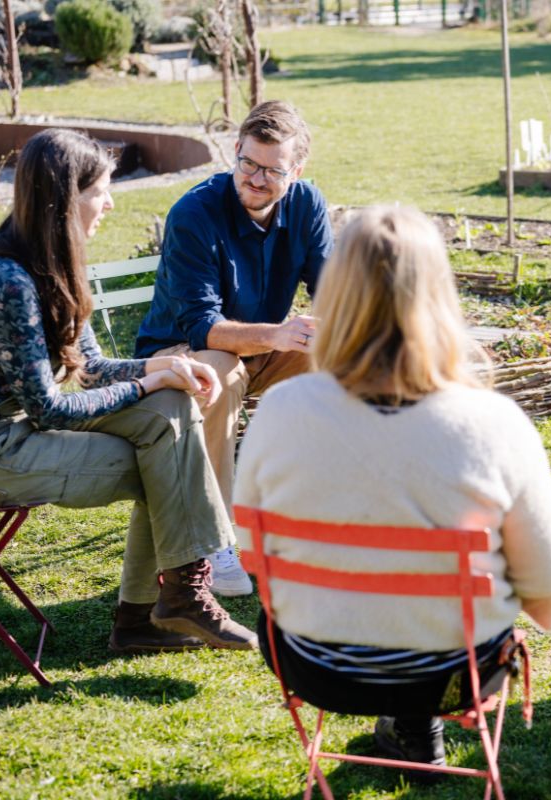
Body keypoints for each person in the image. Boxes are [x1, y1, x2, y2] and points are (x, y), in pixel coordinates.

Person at [234, 206, 551, 773]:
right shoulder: (492, 423)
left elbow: (252, 549)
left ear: (335, 298)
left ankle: (406, 723)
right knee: (438, 615)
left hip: (317, 667)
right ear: (438, 299)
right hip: (453, 673)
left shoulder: (279, 410)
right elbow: (548, 589)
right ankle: (417, 721)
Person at [0, 129, 256, 654]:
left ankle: (171, 600)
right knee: (168, 465)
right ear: (66, 199)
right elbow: (49, 405)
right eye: (101, 190)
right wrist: (149, 380)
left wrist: (164, 367)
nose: (110, 201)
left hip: (28, 425)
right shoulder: (8, 280)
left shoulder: (58, 256)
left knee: (171, 412)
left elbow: (91, 367)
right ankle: (159, 608)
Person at [135, 100, 334, 597]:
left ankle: (307, 509)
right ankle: (217, 539)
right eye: (247, 163)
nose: (256, 178)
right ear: (236, 152)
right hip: (179, 351)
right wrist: (278, 334)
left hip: (261, 345)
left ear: (297, 170)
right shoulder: (194, 213)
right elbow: (202, 327)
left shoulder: (307, 204)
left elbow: (334, 292)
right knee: (218, 373)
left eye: (272, 170)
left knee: (340, 357)